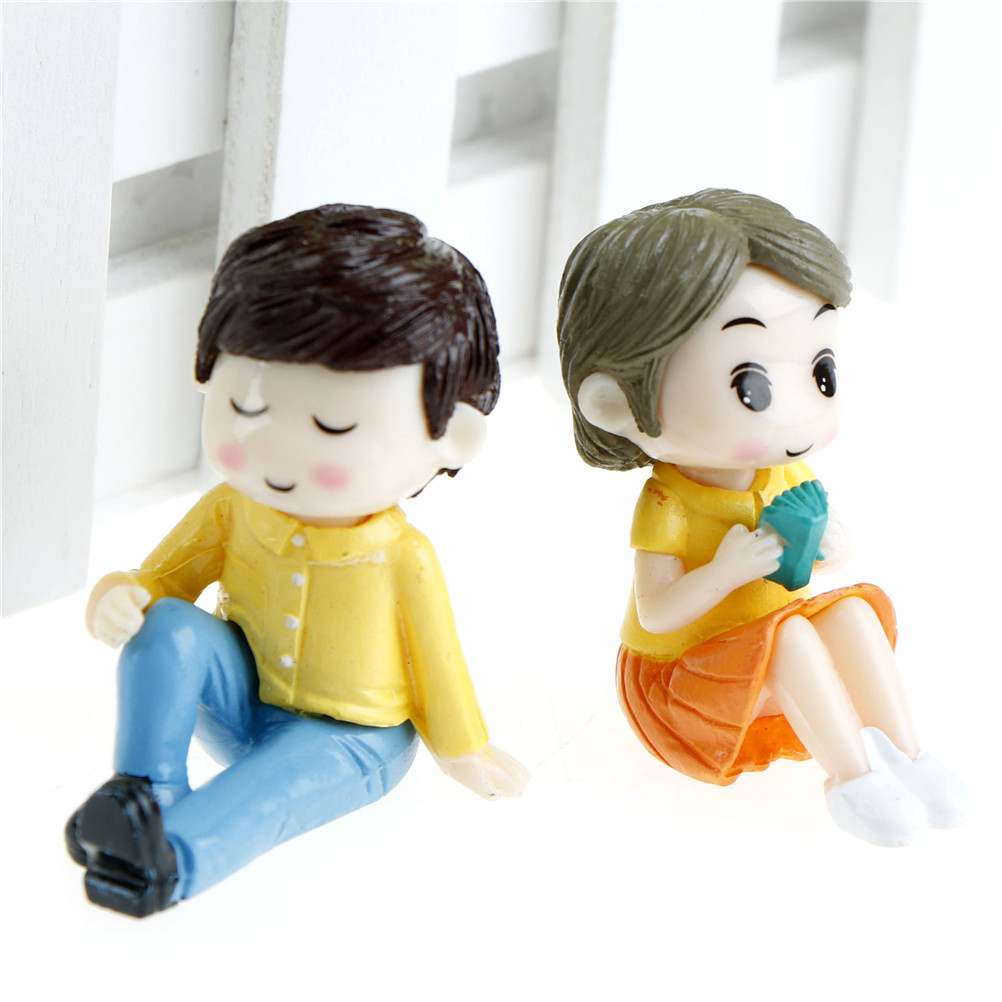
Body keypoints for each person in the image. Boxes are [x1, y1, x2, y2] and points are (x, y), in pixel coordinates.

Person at [67, 204, 528, 917]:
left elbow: (438, 664)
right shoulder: (232, 508)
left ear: (453, 439)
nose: (277, 453)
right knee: (169, 626)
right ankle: (143, 794)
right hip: (241, 700)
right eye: (247, 409)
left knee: (265, 793)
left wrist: (465, 750)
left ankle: (166, 862)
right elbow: (159, 587)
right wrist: (117, 597)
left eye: (334, 425)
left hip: (348, 738)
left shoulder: (402, 558)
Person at [557, 188, 966, 846]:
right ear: (618, 406)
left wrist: (830, 543)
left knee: (851, 611)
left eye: (821, 373)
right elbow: (657, 614)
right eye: (753, 387)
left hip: (773, 668)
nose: (799, 417)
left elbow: (833, 550)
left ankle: (907, 755)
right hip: (681, 684)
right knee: (792, 635)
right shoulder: (669, 503)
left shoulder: (786, 472)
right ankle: (853, 777)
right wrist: (726, 571)